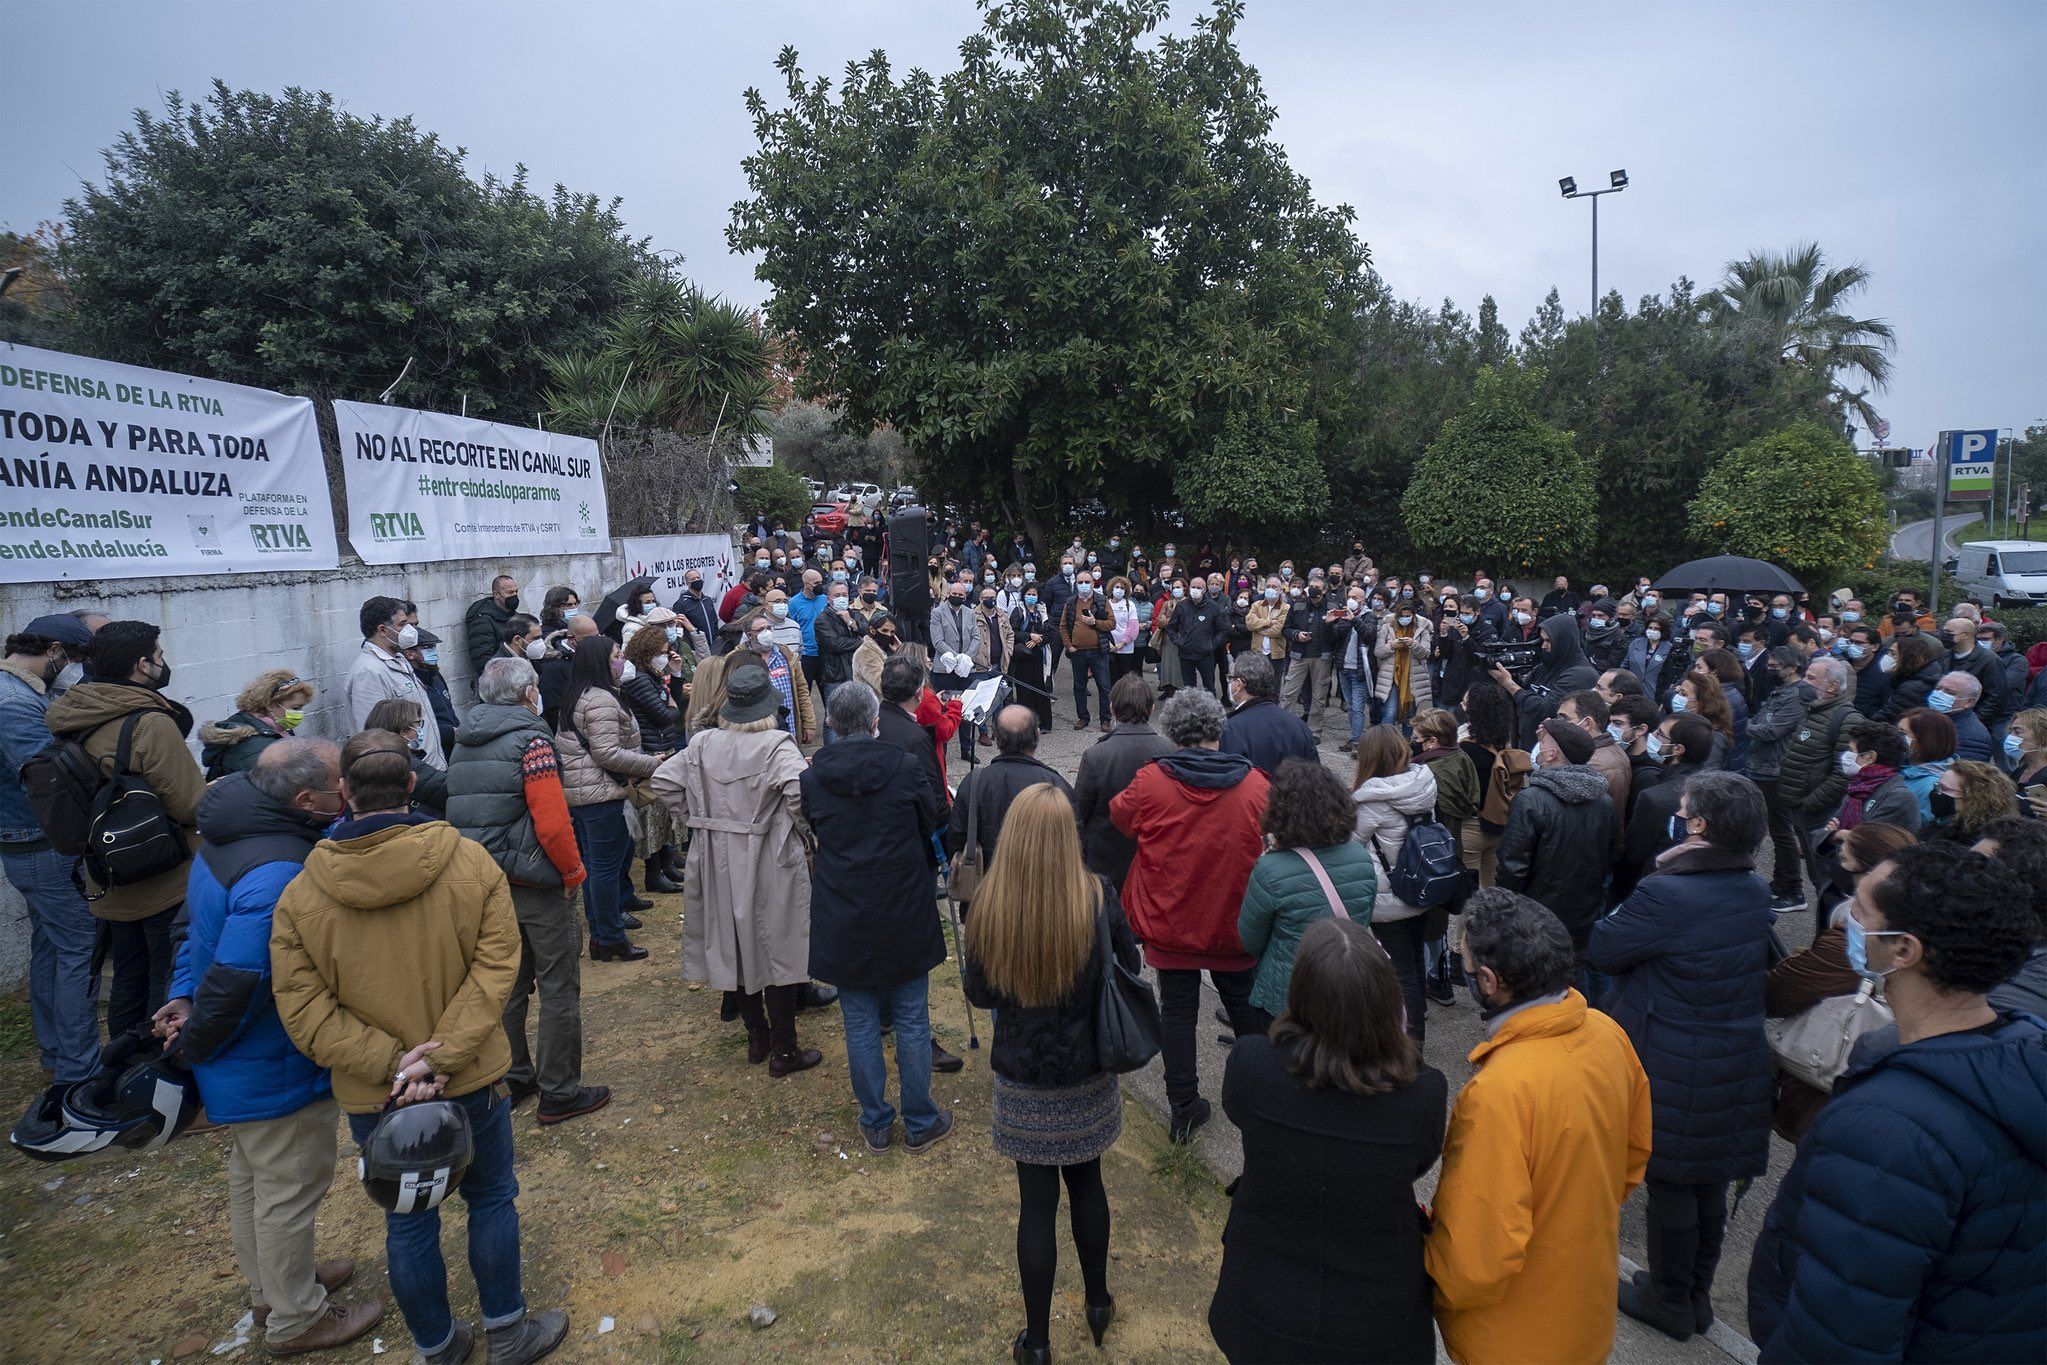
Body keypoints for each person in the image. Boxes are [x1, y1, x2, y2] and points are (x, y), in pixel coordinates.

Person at [270, 729, 565, 1365]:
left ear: (343, 793)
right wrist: (441, 1055)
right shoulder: (470, 863)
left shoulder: (300, 895)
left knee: (407, 1218)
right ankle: (506, 1333)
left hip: (378, 1093)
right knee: (490, 1197)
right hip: (469, 1078)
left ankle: (438, 1348)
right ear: (411, 785)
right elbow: (498, 967)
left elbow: (302, 1005)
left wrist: (390, 1064)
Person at [1747, 842, 2045, 1362]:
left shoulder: (1889, 1128)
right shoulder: (2023, 1056)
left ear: (1903, 950)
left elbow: (1841, 1331)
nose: (1848, 921)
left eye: (1860, 911)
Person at [150, 740, 383, 1355]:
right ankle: (297, 1319)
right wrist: (192, 1045)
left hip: (237, 1051)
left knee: (253, 1178)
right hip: (269, 1055)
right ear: (306, 799)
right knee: (289, 1186)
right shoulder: (279, 869)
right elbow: (242, 976)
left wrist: (182, 996)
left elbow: (191, 930)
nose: (350, 790)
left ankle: (273, 1287)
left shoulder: (227, 839)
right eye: (342, 782)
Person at [1425, 889, 1652, 1365]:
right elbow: (1633, 1155)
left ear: (1488, 979)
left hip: (1513, 1337)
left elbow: (1475, 1258)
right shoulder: (1606, 1033)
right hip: (1583, 1313)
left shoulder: (1501, 1091)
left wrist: (1431, 1276)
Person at [1588, 772, 1774, 1341]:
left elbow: (1605, 947)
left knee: (1670, 1181)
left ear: (1696, 826)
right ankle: (1690, 1294)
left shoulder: (1667, 892)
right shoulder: (1754, 888)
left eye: (1685, 810)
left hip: (1676, 1053)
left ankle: (1669, 1299)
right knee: (1707, 1183)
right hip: (1733, 1051)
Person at [1210, 917, 1444, 1365]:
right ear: (1388, 1000)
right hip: (1376, 1319)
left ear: (1301, 994)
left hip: (1263, 1300)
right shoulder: (1422, 1093)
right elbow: (1417, 1162)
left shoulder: (1254, 1066)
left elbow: (1238, 1111)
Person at [960, 785, 1131, 1364]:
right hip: (1086, 1068)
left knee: (1035, 1205)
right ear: (1069, 839)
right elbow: (1126, 968)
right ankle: (1099, 1301)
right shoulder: (1098, 897)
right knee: (1089, 1184)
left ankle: (1037, 1341)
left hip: (1023, 1074)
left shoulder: (989, 905)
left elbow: (979, 993)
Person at [444, 657, 605, 1123]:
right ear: (526, 692)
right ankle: (560, 1089)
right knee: (557, 984)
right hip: (533, 878)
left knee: (508, 983)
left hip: (483, 879)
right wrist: (572, 872)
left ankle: (514, 1074)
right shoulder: (533, 741)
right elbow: (552, 823)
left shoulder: (464, 740)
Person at [1111, 687, 1271, 1141]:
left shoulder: (1151, 781)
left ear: (1173, 731)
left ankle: (1183, 1106)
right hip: (1232, 921)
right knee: (1245, 1010)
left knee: (1177, 1013)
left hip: (1171, 919)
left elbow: (1121, 819)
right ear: (1218, 728)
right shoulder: (1256, 784)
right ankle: (1256, 1098)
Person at [802, 682, 953, 1148]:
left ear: (831, 722)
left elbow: (816, 824)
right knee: (910, 1017)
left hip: (845, 906)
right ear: (873, 722)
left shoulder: (811, 776)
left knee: (861, 1020)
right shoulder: (905, 766)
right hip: (901, 900)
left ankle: (877, 1121)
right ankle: (917, 1122)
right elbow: (931, 818)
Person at [654, 664, 820, 1078]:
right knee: (779, 944)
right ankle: (782, 1047)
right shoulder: (777, 744)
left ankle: (757, 1034)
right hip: (767, 852)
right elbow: (801, 795)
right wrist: (804, 833)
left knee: (734, 942)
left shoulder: (703, 742)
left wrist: (698, 819)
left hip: (716, 856)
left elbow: (663, 781)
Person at [45, 620, 204, 1042]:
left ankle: (117, 1069)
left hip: (106, 872)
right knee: (164, 981)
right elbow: (189, 804)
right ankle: (151, 1077)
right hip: (162, 875)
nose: (163, 663)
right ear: (141, 666)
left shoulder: (74, 712)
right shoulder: (149, 722)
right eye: (159, 655)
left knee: (128, 983)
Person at [0, 615, 105, 1088]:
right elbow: (48, 776)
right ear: (56, 650)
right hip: (39, 843)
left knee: (50, 945)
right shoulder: (13, 703)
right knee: (78, 949)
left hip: (28, 843)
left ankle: (56, 1052)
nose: (72, 670)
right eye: (75, 660)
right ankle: (80, 1069)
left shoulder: (19, 692)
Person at [1766, 820, 1916, 1141]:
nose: (1837, 867)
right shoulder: (1919, 922)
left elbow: (1777, 992)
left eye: (1845, 860)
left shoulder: (1855, 940)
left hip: (1829, 1089)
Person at [1235, 759, 1379, 1032]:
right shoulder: (1361, 858)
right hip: (1344, 988)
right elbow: (1364, 918)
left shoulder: (1270, 869)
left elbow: (1250, 939)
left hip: (1286, 994)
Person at [554, 636, 660, 961]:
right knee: (604, 869)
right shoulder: (599, 699)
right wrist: (652, 763)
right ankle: (611, 936)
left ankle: (602, 935)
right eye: (616, 655)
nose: (622, 660)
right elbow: (606, 753)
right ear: (602, 662)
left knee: (595, 867)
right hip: (600, 795)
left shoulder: (579, 696)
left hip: (584, 794)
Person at [1348, 725, 1440, 1038]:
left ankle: (1410, 1046)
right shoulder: (1422, 784)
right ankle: (1419, 1019)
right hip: (1421, 888)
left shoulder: (1373, 800)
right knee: (1413, 961)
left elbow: (1351, 845)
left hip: (1389, 900)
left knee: (1400, 976)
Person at [947, 705, 1072, 871]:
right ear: (1037, 735)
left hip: (986, 886)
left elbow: (955, 839)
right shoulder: (1056, 784)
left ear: (997, 739)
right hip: (1041, 886)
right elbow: (1075, 845)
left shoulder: (974, 782)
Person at [1744, 646, 1812, 910]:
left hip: (1776, 771)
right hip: (1763, 766)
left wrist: (1742, 726)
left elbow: (1771, 730)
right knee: (1777, 829)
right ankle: (1780, 883)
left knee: (1782, 832)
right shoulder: (1779, 692)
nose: (1769, 670)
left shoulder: (1795, 697)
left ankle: (1794, 890)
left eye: (1774, 667)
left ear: (1792, 668)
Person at [346, 596, 447, 770]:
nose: (410, 631)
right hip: (406, 772)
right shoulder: (369, 672)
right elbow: (374, 736)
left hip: (428, 767)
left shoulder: (399, 660)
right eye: (402, 625)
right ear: (383, 630)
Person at [619, 625, 684, 891]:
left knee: (667, 811)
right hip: (650, 749)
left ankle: (668, 862)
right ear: (647, 653)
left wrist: (675, 675)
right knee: (653, 815)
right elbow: (664, 714)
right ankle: (654, 871)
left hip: (663, 745)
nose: (665, 657)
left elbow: (672, 706)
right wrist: (672, 706)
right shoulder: (638, 679)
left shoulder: (654, 675)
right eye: (661, 653)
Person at [1491, 613, 1599, 748]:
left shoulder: (1581, 674)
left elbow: (1547, 710)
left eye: (1549, 641)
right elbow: (1520, 696)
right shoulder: (1545, 667)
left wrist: (1510, 684)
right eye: (1542, 640)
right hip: (1529, 746)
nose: (1543, 646)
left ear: (1564, 641)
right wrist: (1507, 676)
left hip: (1557, 752)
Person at [200, 670, 316, 779]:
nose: (300, 714)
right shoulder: (256, 748)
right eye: (295, 708)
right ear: (269, 704)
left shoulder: (273, 726)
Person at [1219, 654, 1317, 777]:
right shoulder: (1298, 725)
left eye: (1230, 678)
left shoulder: (1231, 729)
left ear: (1239, 684)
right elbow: (1314, 776)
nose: (1229, 682)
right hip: (1292, 794)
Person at [364, 698, 449, 816]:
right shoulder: (402, 761)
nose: (420, 729)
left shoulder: (366, 759)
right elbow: (447, 789)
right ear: (404, 731)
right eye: (418, 724)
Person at [1059, 576, 1115, 731]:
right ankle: (1083, 717)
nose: (1083, 585)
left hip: (1099, 651)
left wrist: (1095, 622)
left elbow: (1112, 623)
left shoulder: (1102, 600)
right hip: (1078, 652)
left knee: (1104, 686)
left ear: (1092, 583)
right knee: (1079, 686)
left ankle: (1105, 719)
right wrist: (1069, 646)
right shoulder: (1071, 602)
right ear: (1076, 584)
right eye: (1080, 582)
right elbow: (1063, 626)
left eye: (1086, 582)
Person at [1372, 597, 1433, 734]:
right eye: (1401, 616)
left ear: (1413, 615)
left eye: (1408, 616)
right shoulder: (1387, 626)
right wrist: (1391, 646)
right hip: (1392, 677)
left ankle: (1407, 746)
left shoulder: (1423, 627)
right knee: (1390, 712)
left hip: (1414, 679)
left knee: (1410, 716)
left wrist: (1414, 644)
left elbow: (1425, 654)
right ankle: (1383, 742)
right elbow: (1378, 652)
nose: (1404, 619)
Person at [1927, 759, 2018, 842]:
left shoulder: (1981, 844)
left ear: (1973, 798)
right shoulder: (1939, 826)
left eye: (1945, 789)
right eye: (1937, 786)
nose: (1937, 793)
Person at [1873, 632, 1945, 721]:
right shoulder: (1923, 675)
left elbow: (1887, 716)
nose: (1887, 657)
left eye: (1893, 654)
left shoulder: (1912, 688)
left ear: (1908, 658)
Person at [464, 574, 523, 675]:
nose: (514, 595)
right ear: (496, 594)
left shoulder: (516, 616)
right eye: (510, 592)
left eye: (516, 592)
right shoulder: (483, 621)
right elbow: (482, 660)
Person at [1930, 670, 1994, 761]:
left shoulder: (1973, 739)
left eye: (1949, 693)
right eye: (1938, 689)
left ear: (1969, 702)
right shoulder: (1928, 717)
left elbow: (1964, 772)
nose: (1939, 694)